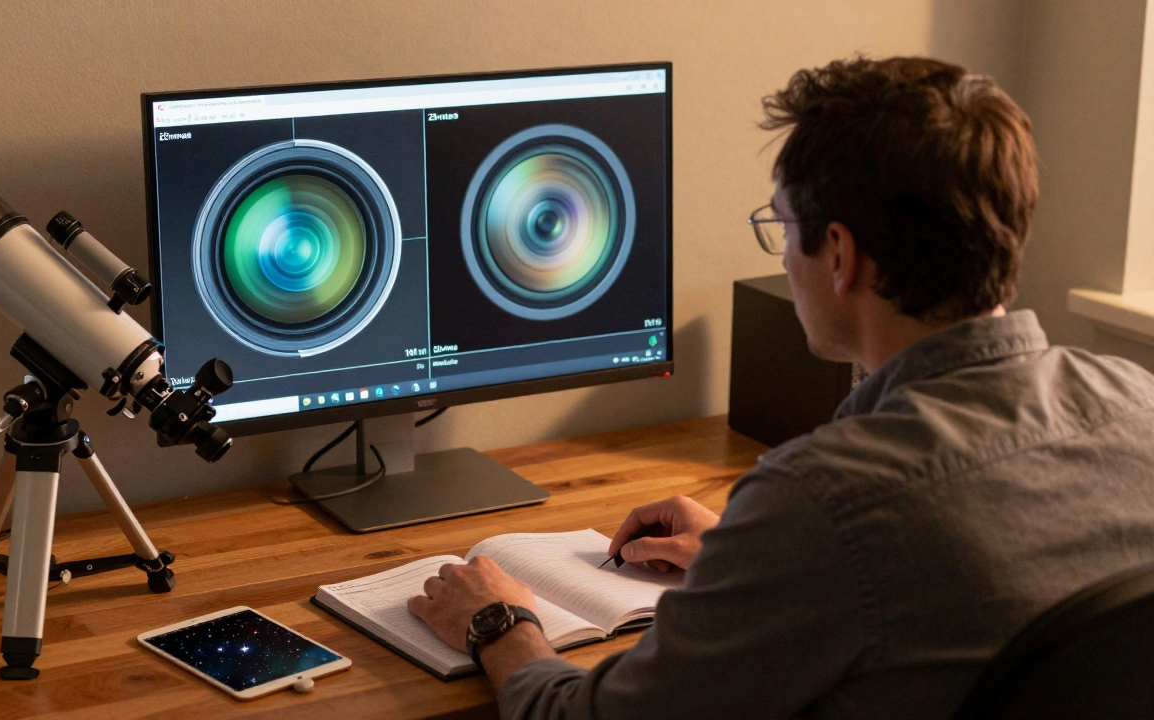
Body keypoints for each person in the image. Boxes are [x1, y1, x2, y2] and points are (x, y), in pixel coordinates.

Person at [408, 56, 1154, 718]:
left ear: (839, 253)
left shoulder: (825, 501)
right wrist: (754, 565)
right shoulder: (1138, 404)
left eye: (782, 224)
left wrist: (500, 625)